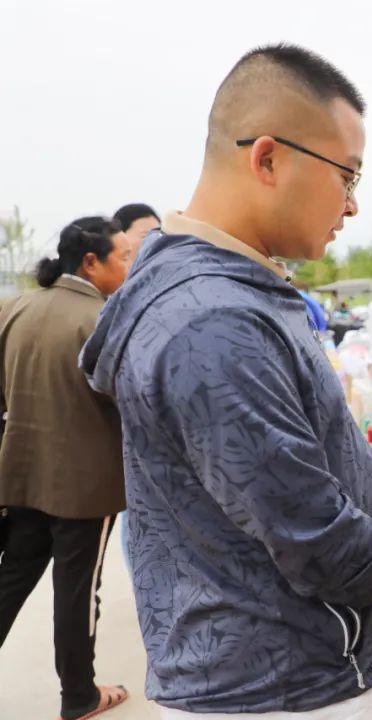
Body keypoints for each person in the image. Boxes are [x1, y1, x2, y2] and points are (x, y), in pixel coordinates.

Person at [79, 44, 372, 718]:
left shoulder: (225, 292)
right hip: (274, 686)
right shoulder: (211, 320)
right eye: (347, 176)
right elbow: (304, 521)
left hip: (275, 666)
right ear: (267, 158)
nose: (353, 205)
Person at [0, 217, 133, 720]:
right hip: (84, 486)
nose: (130, 265)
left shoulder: (16, 307)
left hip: (21, 474)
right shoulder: (102, 321)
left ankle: (79, 692)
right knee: (77, 592)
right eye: (124, 256)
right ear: (91, 261)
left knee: (11, 578)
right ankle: (80, 696)